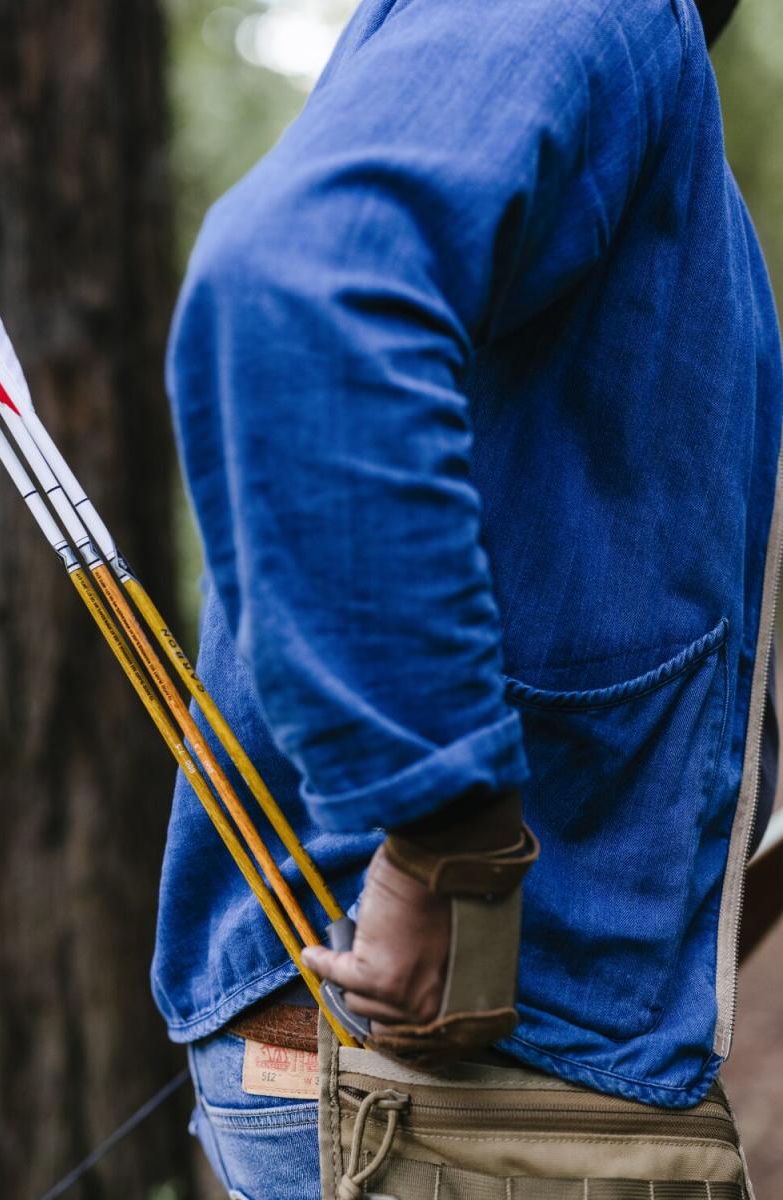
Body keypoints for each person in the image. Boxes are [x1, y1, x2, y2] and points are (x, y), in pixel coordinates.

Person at [152, 0, 782, 1195]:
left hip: (517, 1064)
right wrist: (448, 839)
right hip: (439, 1076)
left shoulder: (637, 75)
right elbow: (303, 286)